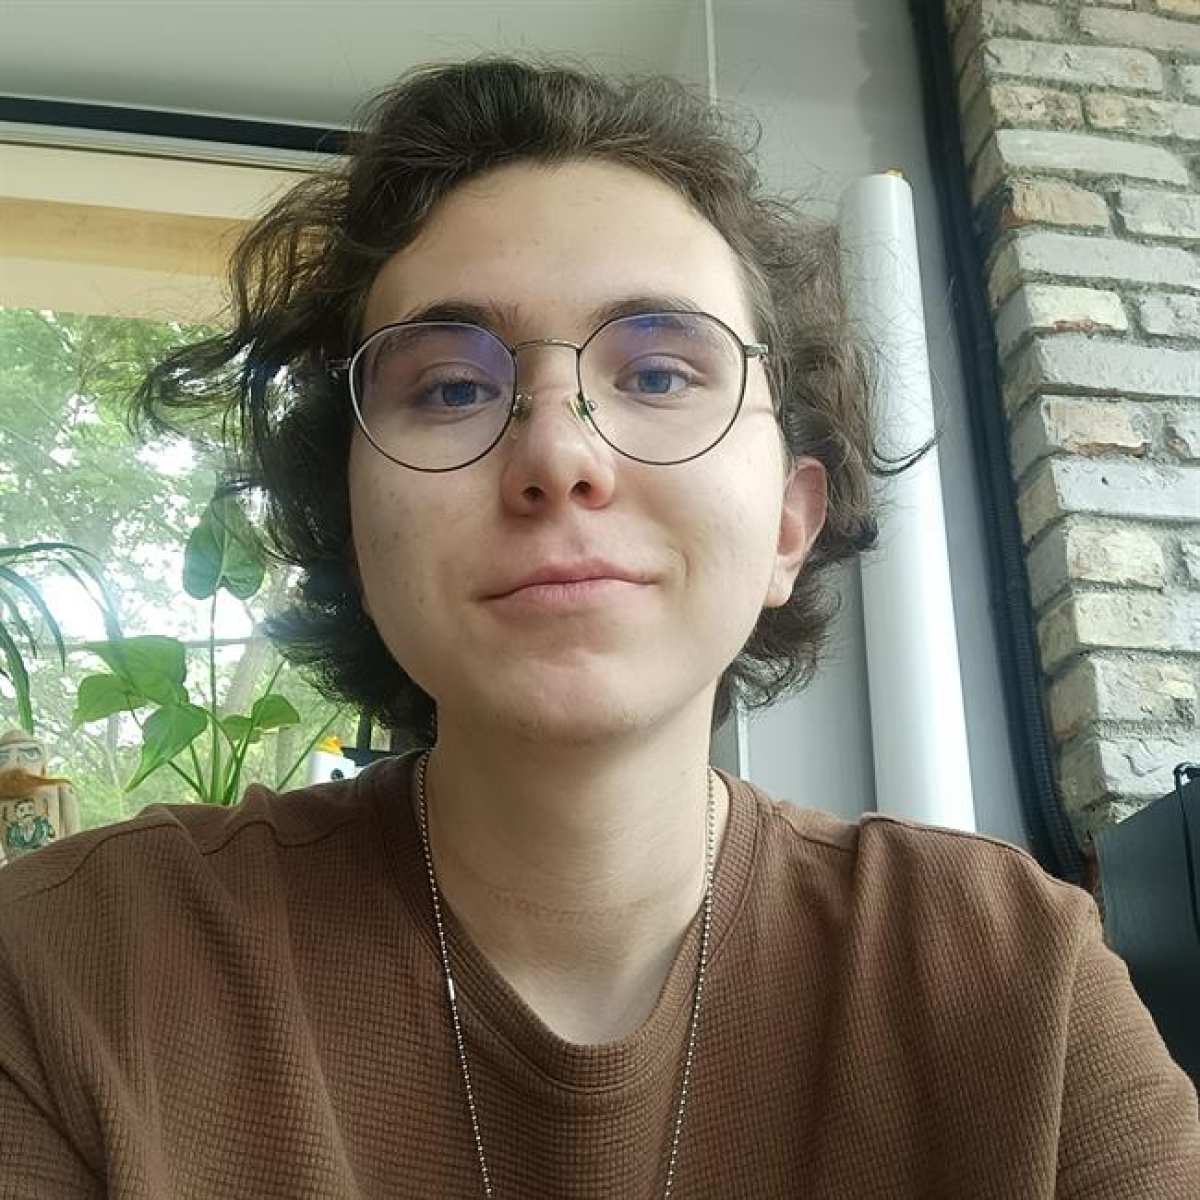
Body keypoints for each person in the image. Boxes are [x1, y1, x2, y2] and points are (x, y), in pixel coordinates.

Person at [0, 58, 1196, 1200]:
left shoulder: (1016, 975)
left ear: (789, 523)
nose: (559, 454)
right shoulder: (75, 966)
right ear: (352, 528)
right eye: (452, 387)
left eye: (661, 374)